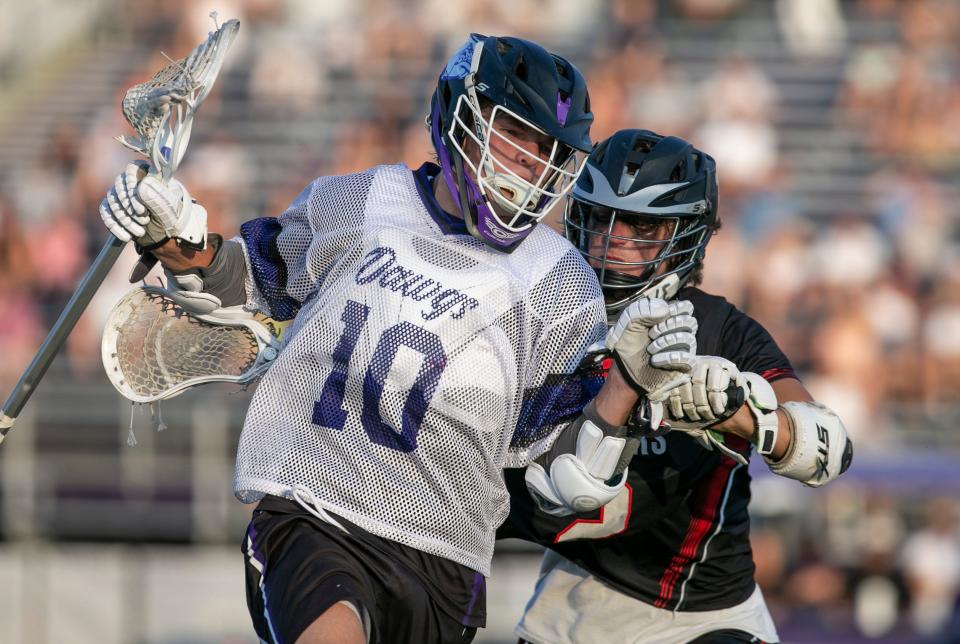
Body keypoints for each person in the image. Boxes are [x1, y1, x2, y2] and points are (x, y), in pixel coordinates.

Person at [98, 36, 694, 644]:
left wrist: (626, 385)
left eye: (547, 152)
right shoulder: (364, 200)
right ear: (460, 117)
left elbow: (560, 473)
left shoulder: (557, 281)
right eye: (516, 135)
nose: (530, 166)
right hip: (316, 505)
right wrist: (174, 235)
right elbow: (245, 281)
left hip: (444, 552)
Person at [499, 129, 854, 644]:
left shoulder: (721, 331)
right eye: (601, 218)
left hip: (701, 618)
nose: (613, 241)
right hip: (573, 605)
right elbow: (544, 504)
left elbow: (827, 449)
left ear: (689, 236)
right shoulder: (540, 311)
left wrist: (738, 411)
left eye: (642, 226)